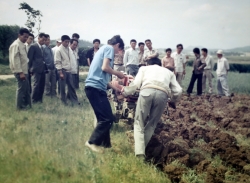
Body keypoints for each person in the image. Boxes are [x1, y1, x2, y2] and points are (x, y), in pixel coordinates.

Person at [121, 57, 182, 158]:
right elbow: (179, 90)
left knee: (139, 122)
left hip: (146, 91)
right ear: (160, 64)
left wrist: (125, 92)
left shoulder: (144, 68)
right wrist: (173, 100)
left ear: (148, 64)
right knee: (152, 124)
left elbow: (135, 84)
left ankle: (140, 152)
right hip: (162, 95)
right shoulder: (168, 72)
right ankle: (142, 148)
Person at [84, 35, 125, 153]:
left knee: (105, 117)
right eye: (119, 49)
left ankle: (106, 145)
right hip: (95, 89)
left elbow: (103, 79)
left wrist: (115, 88)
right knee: (107, 118)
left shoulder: (102, 50)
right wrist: (118, 73)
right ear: (117, 45)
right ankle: (92, 142)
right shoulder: (109, 49)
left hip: (94, 87)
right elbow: (105, 67)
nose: (118, 53)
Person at [9, 28, 31, 110]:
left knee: (26, 89)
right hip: (20, 71)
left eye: (27, 37)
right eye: (24, 37)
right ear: (19, 35)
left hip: (25, 70)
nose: (26, 39)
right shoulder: (16, 45)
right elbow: (15, 60)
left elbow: (24, 59)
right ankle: (20, 107)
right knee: (21, 89)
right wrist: (20, 72)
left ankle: (27, 105)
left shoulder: (23, 45)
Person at [55, 35, 79, 105]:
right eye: (66, 42)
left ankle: (75, 101)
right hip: (62, 70)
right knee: (62, 88)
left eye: (68, 42)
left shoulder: (68, 49)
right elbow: (57, 62)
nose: (67, 43)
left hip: (69, 71)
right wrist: (60, 72)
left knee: (71, 86)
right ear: (62, 41)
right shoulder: (58, 50)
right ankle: (63, 102)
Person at [28, 33, 47, 103]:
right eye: (43, 39)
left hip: (42, 69)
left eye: (45, 40)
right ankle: (33, 100)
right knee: (36, 85)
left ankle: (39, 99)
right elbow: (29, 59)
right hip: (36, 69)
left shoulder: (42, 47)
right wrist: (29, 69)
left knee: (42, 85)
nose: (44, 41)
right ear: (38, 38)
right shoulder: (33, 46)